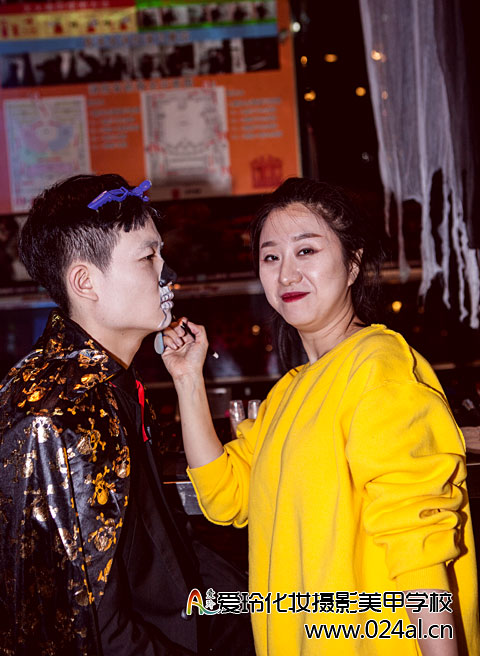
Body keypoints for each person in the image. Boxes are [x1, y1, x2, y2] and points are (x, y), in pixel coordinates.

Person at [161, 177, 480, 656]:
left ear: (352, 264)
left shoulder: (378, 366)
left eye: (306, 251)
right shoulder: (289, 393)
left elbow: (418, 538)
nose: (286, 274)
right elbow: (226, 496)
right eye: (271, 257)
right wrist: (188, 379)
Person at [0, 174, 255, 656]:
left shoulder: (105, 380)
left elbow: (161, 544)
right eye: (147, 257)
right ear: (85, 282)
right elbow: (89, 625)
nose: (167, 271)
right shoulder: (62, 411)